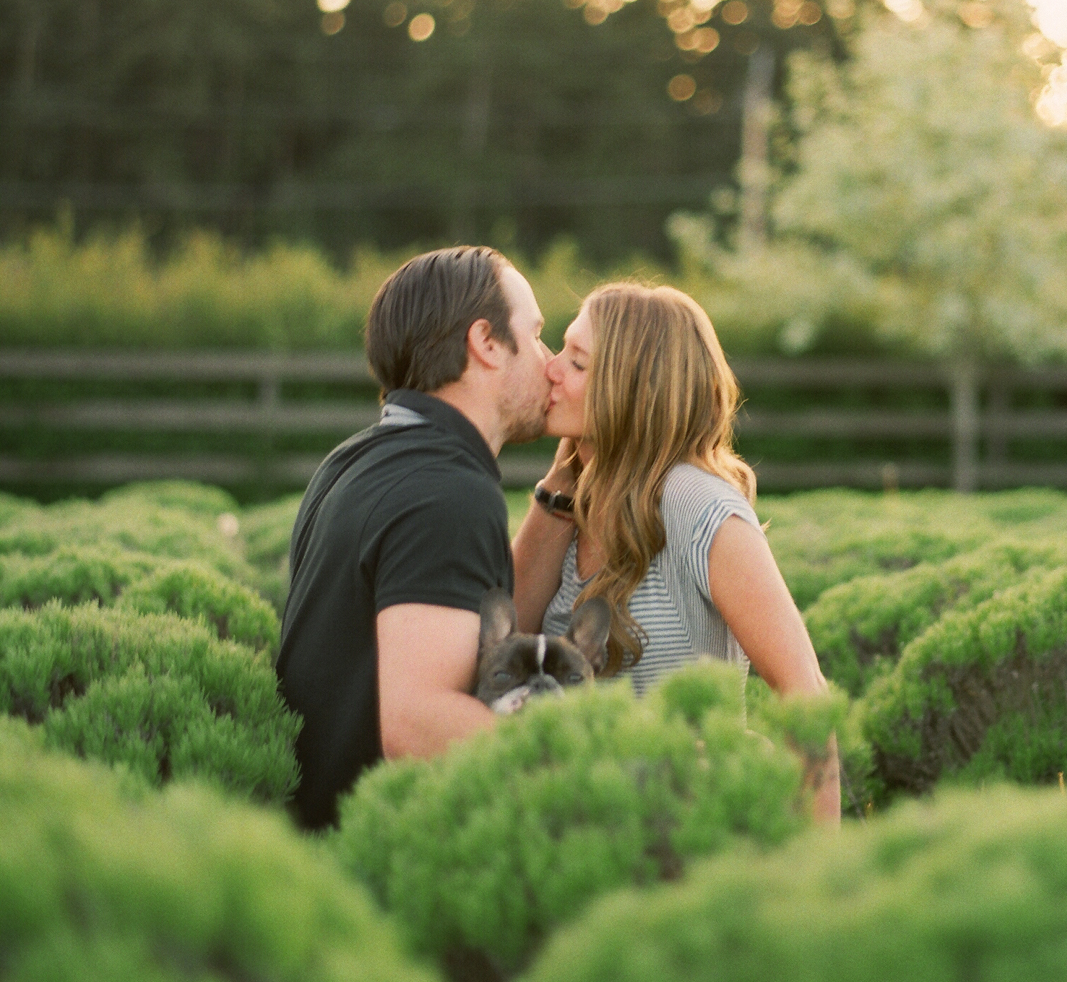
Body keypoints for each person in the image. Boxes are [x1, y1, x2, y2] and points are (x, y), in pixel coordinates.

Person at [513, 281, 841, 822]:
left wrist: (817, 880)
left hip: (689, 841)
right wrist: (557, 490)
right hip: (581, 845)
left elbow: (805, 693)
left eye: (576, 362)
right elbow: (504, 641)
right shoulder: (573, 502)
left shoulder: (696, 502)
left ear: (630, 388)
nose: (550, 367)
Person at [276, 246, 551, 831]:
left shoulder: (357, 459)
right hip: (377, 860)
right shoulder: (445, 491)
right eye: (537, 335)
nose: (550, 362)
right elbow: (418, 723)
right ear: (487, 342)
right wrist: (594, 755)